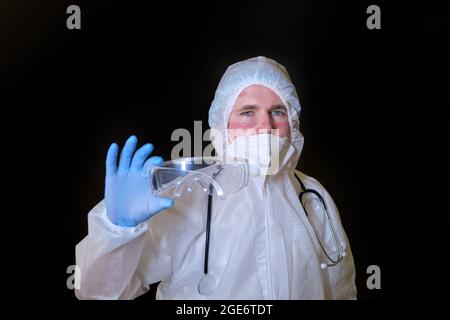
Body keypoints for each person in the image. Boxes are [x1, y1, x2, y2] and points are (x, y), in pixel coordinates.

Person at [75, 56, 357, 299]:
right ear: (223, 123)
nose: (266, 125)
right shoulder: (191, 190)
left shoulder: (312, 195)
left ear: (292, 122)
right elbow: (97, 292)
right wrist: (117, 230)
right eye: (248, 112)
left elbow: (341, 288)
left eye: (278, 112)